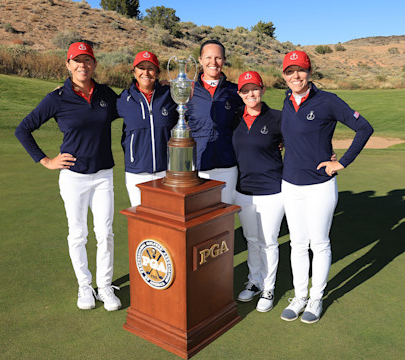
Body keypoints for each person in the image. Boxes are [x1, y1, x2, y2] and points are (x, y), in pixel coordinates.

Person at [15, 42, 122, 311]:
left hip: (102, 176)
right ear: (68, 64)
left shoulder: (107, 95)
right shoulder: (57, 97)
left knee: (105, 234)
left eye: (87, 60)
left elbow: (132, 110)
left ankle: (105, 286)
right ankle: (84, 286)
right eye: (77, 60)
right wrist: (46, 161)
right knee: (78, 234)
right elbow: (23, 129)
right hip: (73, 177)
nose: (82, 65)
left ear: (95, 64)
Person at [279, 50, 374, 323]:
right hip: (291, 185)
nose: (295, 76)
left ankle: (316, 299)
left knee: (319, 244)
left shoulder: (327, 101)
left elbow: (364, 128)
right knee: (297, 243)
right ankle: (299, 297)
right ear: (284, 76)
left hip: (320, 185)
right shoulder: (286, 102)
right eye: (289, 71)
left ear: (309, 72)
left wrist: (341, 163)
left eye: (300, 70)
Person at [232, 71, 284, 312]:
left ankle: (269, 287)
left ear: (262, 90)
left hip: (272, 190)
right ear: (240, 94)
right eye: (245, 90)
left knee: (269, 242)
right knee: (252, 240)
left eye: (255, 88)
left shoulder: (277, 118)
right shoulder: (235, 120)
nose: (250, 93)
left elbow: (301, 143)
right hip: (244, 191)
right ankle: (254, 281)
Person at [186, 39, 243, 204]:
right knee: (201, 219)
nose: (213, 62)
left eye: (218, 58)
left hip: (228, 165)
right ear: (201, 60)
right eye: (208, 57)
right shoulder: (188, 90)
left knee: (225, 217)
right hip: (198, 165)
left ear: (224, 61)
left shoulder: (234, 91)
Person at [117, 51, 177, 207]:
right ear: (134, 71)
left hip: (166, 172)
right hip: (136, 173)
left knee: (167, 221)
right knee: (143, 225)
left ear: (157, 72)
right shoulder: (124, 99)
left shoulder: (170, 96)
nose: (146, 72)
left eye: (151, 68)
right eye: (141, 67)